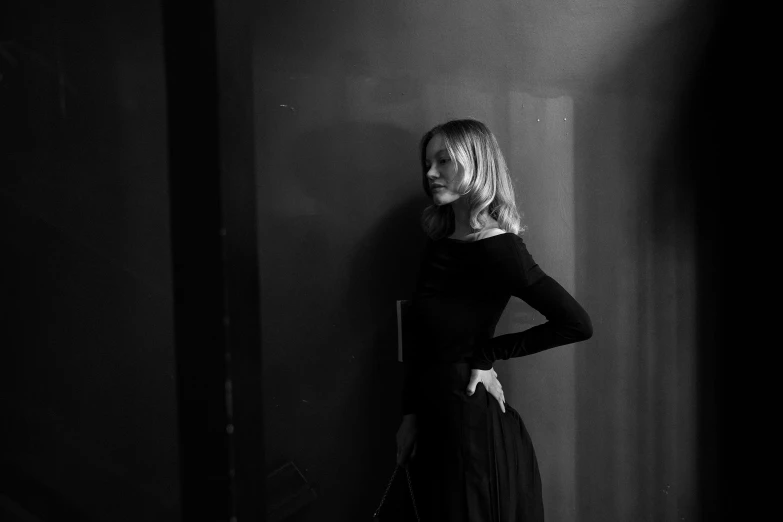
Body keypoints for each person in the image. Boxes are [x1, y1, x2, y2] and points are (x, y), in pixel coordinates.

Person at [395, 119, 592, 521]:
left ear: (477, 165)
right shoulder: (439, 244)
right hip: (434, 420)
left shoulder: (500, 247)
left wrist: (487, 357)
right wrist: (410, 415)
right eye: (428, 162)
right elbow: (421, 339)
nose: (431, 173)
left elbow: (575, 323)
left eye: (444, 160)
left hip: (469, 426)